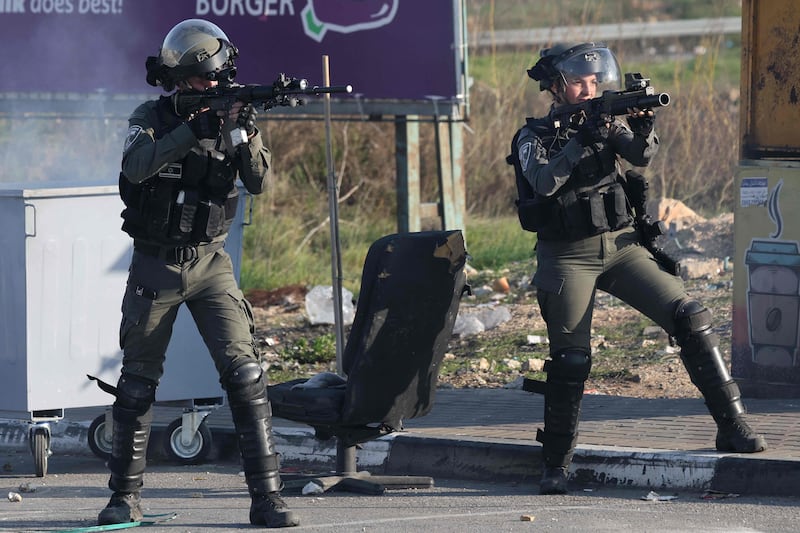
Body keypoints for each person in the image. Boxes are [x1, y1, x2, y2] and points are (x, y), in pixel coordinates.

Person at [509, 42, 767, 496]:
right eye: (579, 83)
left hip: (623, 246)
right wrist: (577, 143)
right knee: (570, 360)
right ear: (556, 87)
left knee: (691, 316)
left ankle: (734, 425)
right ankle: (555, 463)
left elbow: (641, 155)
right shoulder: (533, 137)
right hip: (567, 256)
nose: (589, 90)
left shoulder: (603, 121)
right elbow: (544, 182)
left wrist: (645, 128)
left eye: (594, 81)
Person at [97, 19, 298, 528]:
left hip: (212, 264)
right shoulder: (152, 116)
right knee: (138, 384)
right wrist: (193, 130)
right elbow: (135, 167)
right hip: (156, 263)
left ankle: (268, 498)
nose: (215, 87)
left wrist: (240, 130)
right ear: (183, 80)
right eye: (206, 81)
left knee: (246, 374)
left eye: (219, 79)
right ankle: (124, 497)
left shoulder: (232, 115)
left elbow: (257, 180)